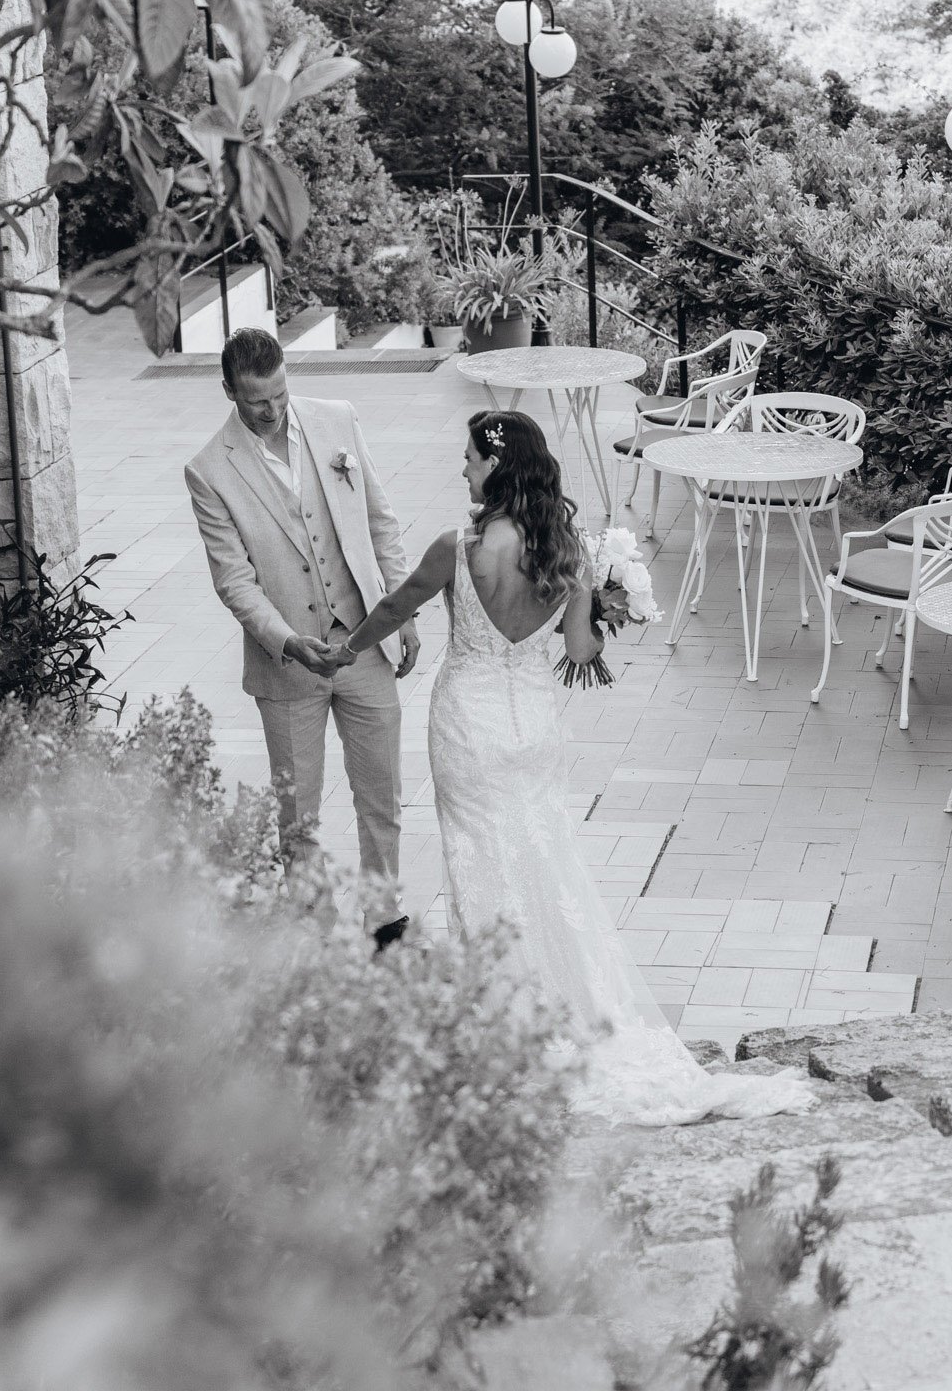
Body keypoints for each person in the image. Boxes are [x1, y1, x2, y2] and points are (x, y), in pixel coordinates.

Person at [334, 409, 814, 1125]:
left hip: (466, 726)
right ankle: (568, 1008)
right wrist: (601, 603)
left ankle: (502, 1025)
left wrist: (342, 651)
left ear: (495, 465)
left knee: (482, 868)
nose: (461, 468)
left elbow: (393, 606)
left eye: (468, 457)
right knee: (546, 863)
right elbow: (582, 652)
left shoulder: (453, 545)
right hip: (532, 729)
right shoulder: (567, 551)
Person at [185, 327, 418, 946]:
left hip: (365, 640)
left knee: (381, 794)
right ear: (230, 390)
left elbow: (380, 520)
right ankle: (314, 935)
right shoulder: (209, 470)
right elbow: (234, 582)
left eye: (281, 392)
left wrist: (403, 612)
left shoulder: (337, 420)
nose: (273, 409)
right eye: (258, 400)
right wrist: (289, 642)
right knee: (299, 814)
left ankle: (385, 922)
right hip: (287, 667)